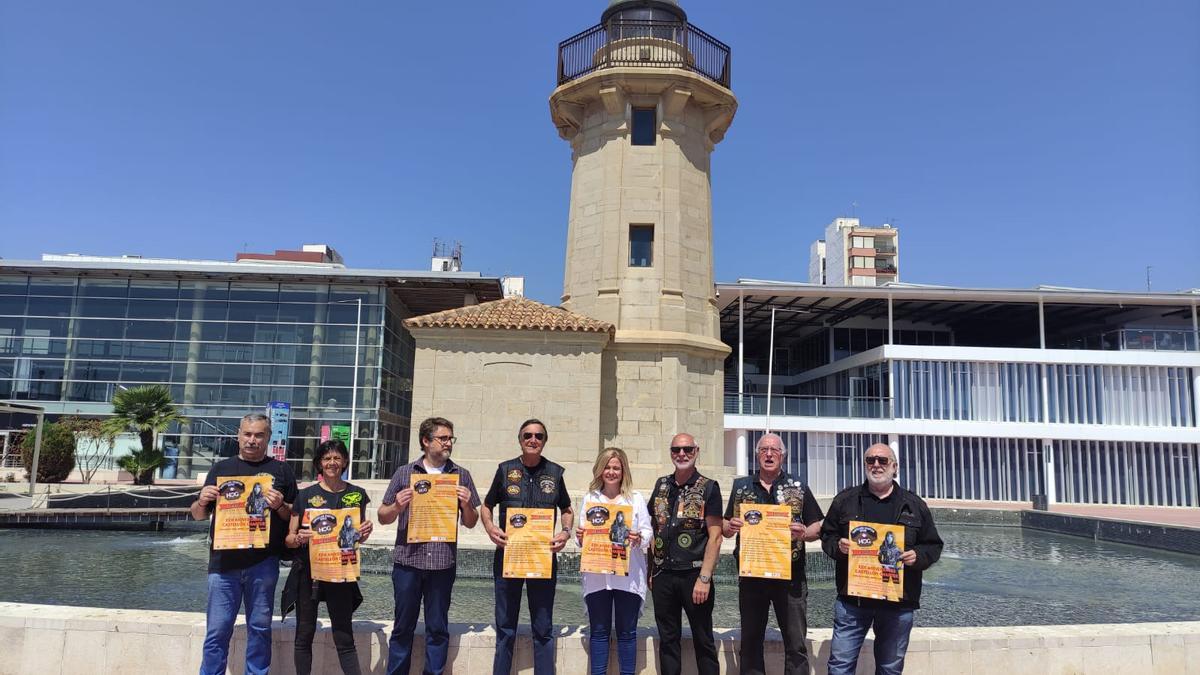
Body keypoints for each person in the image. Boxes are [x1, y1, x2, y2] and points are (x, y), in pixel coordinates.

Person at [821, 443, 944, 675]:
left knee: (890, 669)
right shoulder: (845, 500)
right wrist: (838, 546)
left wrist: (918, 556)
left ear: (894, 467)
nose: (876, 465)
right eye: (870, 460)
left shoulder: (914, 505)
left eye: (882, 460)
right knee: (839, 666)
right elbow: (827, 535)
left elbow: (933, 545)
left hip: (898, 604)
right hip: (853, 602)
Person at [190, 413, 298, 675]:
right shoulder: (220, 470)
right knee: (217, 631)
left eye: (259, 435)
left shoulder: (281, 471)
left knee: (260, 629)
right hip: (223, 565)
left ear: (268, 438)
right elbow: (197, 514)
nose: (252, 440)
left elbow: (294, 514)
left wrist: (280, 505)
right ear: (238, 435)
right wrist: (203, 500)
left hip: (263, 563)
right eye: (248, 434)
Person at [377, 416, 481, 675]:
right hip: (408, 563)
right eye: (443, 438)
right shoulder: (404, 472)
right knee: (402, 627)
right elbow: (382, 515)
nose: (448, 443)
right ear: (426, 441)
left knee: (437, 628)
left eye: (450, 438)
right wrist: (397, 505)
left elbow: (470, 522)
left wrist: (467, 504)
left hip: (442, 564)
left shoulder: (461, 475)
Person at [723, 433, 824, 675]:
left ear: (783, 456)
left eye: (774, 450)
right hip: (752, 577)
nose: (769, 454)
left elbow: (819, 525)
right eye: (764, 450)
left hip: (790, 579)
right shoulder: (741, 487)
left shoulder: (798, 487)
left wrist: (802, 534)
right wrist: (731, 526)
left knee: (796, 645)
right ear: (757, 455)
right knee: (750, 644)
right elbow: (725, 527)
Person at [481, 419, 574, 675]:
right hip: (508, 558)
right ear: (520, 439)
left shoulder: (555, 473)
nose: (533, 440)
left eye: (539, 436)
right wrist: (490, 528)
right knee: (505, 628)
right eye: (528, 435)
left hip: (542, 560)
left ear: (545, 440)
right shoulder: (505, 470)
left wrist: (565, 532)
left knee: (543, 629)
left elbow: (566, 509)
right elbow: (487, 505)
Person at [283, 440, 374, 675]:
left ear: (344, 462)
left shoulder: (357, 495)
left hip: (340, 573)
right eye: (326, 459)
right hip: (308, 573)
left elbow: (357, 538)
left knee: (344, 636)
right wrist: (299, 537)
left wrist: (364, 534)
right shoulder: (305, 496)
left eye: (337, 458)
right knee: (304, 634)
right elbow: (289, 539)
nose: (332, 463)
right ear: (319, 464)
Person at [647, 433, 723, 675]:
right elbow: (652, 529)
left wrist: (705, 577)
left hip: (694, 576)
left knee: (703, 640)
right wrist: (651, 570)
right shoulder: (661, 485)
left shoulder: (708, 487)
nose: (682, 454)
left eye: (687, 449)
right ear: (671, 453)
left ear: (696, 451)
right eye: (676, 450)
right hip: (663, 576)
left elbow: (716, 536)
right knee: (668, 641)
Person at [574, 447, 652, 675]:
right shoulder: (590, 499)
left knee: (627, 632)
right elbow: (582, 539)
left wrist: (639, 538)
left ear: (623, 470)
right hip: (598, 576)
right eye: (607, 467)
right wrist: (580, 537)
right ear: (600, 470)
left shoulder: (635, 499)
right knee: (598, 631)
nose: (611, 472)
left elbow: (648, 534)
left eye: (616, 467)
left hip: (627, 575)